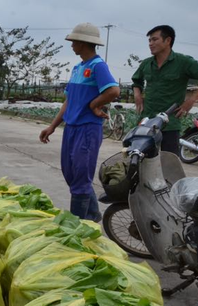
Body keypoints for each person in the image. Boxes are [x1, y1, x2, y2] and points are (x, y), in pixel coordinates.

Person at [39, 23, 120, 221]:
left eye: (74, 41)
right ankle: (93, 214)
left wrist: (94, 104)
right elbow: (69, 101)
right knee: (71, 175)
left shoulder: (97, 66)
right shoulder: (78, 68)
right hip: (71, 129)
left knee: (81, 179)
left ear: (84, 43)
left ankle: (77, 226)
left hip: (87, 130)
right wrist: (52, 126)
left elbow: (113, 91)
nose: (71, 44)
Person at [132, 25, 198, 156]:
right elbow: (136, 80)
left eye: (154, 40)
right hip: (147, 121)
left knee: (170, 166)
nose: (151, 43)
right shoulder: (146, 64)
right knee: (143, 162)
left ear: (168, 41)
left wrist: (191, 100)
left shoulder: (183, 62)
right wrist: (137, 95)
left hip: (170, 123)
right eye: (149, 40)